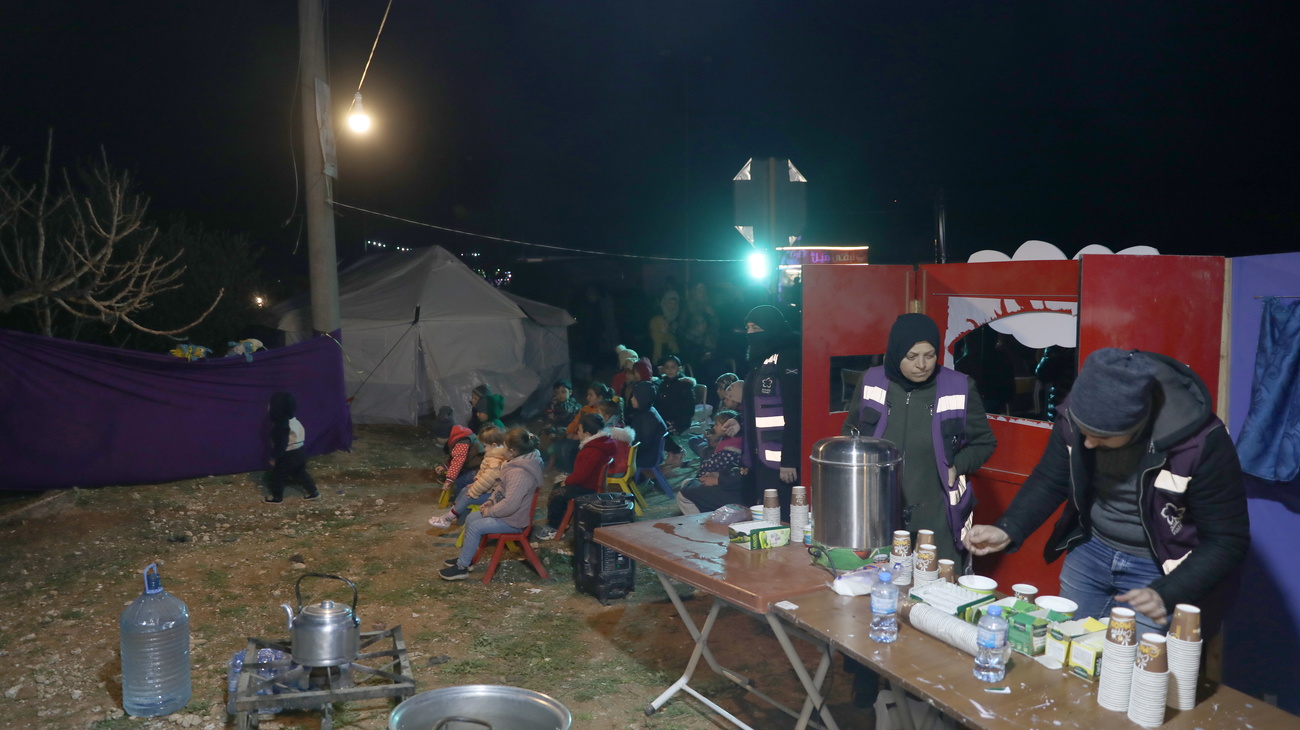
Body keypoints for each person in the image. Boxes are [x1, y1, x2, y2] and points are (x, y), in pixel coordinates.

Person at [965, 348, 1250, 638]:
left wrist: (1166, 592)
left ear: (1137, 424)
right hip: (1091, 549)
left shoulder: (1201, 444)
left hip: (1157, 570)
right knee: (1070, 648)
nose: (1087, 444)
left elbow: (1226, 541)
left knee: (1129, 668)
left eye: (1101, 437)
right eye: (1082, 432)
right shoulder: (1074, 415)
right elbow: (1051, 479)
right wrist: (1008, 528)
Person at [841, 313, 997, 564]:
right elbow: (850, 430)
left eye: (930, 355)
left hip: (938, 512)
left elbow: (984, 442)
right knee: (879, 581)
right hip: (876, 509)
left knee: (937, 586)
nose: (922, 365)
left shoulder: (960, 387)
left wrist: (956, 467)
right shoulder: (871, 380)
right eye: (911, 357)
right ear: (895, 353)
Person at [439, 428, 543, 581]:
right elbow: (501, 488)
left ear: (512, 451)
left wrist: (490, 512)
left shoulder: (520, 474)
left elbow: (510, 505)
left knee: (476, 526)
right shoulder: (514, 464)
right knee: (471, 518)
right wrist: (490, 501)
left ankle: (461, 568)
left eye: (505, 446)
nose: (502, 449)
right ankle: (467, 560)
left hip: (513, 520)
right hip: (506, 514)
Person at [739, 305, 801, 521]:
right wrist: (739, 424)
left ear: (772, 327)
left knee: (782, 516)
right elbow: (755, 404)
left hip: (780, 461)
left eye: (756, 327)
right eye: (747, 327)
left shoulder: (789, 357)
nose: (750, 333)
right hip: (760, 456)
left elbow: (795, 411)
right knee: (766, 514)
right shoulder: (759, 360)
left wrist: (789, 459)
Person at [536, 413, 619, 540]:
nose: (577, 432)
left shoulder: (592, 451)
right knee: (558, 488)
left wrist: (567, 481)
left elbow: (582, 476)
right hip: (592, 483)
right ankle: (561, 520)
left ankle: (555, 527)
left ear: (587, 433)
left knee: (557, 494)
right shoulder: (602, 443)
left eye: (579, 430)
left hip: (588, 488)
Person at [428, 426, 507, 528]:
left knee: (468, 496)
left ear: (494, 445)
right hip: (489, 490)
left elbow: (485, 481)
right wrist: (474, 483)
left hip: (493, 494)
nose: (483, 449)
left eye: (485, 446)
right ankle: (455, 515)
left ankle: (447, 519)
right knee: (465, 490)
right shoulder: (492, 456)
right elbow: (482, 475)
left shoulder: (495, 462)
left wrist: (474, 490)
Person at [676, 410, 744, 514]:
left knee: (683, 493)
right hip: (729, 480)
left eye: (717, 424)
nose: (714, 427)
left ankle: (701, 525)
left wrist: (716, 478)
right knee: (687, 483)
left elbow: (717, 465)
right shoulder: (731, 441)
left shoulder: (731, 449)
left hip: (736, 490)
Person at [266, 391, 319, 503]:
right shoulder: (294, 421)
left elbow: (281, 444)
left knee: (277, 476)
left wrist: (273, 457)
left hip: (289, 454)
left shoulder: (281, 426)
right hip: (301, 452)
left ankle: (277, 498)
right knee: (300, 473)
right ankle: (313, 492)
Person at [626, 379, 668, 484]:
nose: (631, 399)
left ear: (642, 398)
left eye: (635, 397)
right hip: (653, 453)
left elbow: (644, 444)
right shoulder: (648, 411)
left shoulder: (647, 417)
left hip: (649, 456)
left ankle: (630, 483)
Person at [598, 399, 636, 478]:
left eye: (598, 413)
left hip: (613, 471)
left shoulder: (609, 434)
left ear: (607, 416)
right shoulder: (620, 427)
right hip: (625, 468)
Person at [648, 288, 682, 364]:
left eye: (675, 304)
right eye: (670, 303)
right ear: (665, 302)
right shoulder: (657, 314)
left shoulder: (679, 316)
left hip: (670, 354)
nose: (672, 306)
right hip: (654, 349)